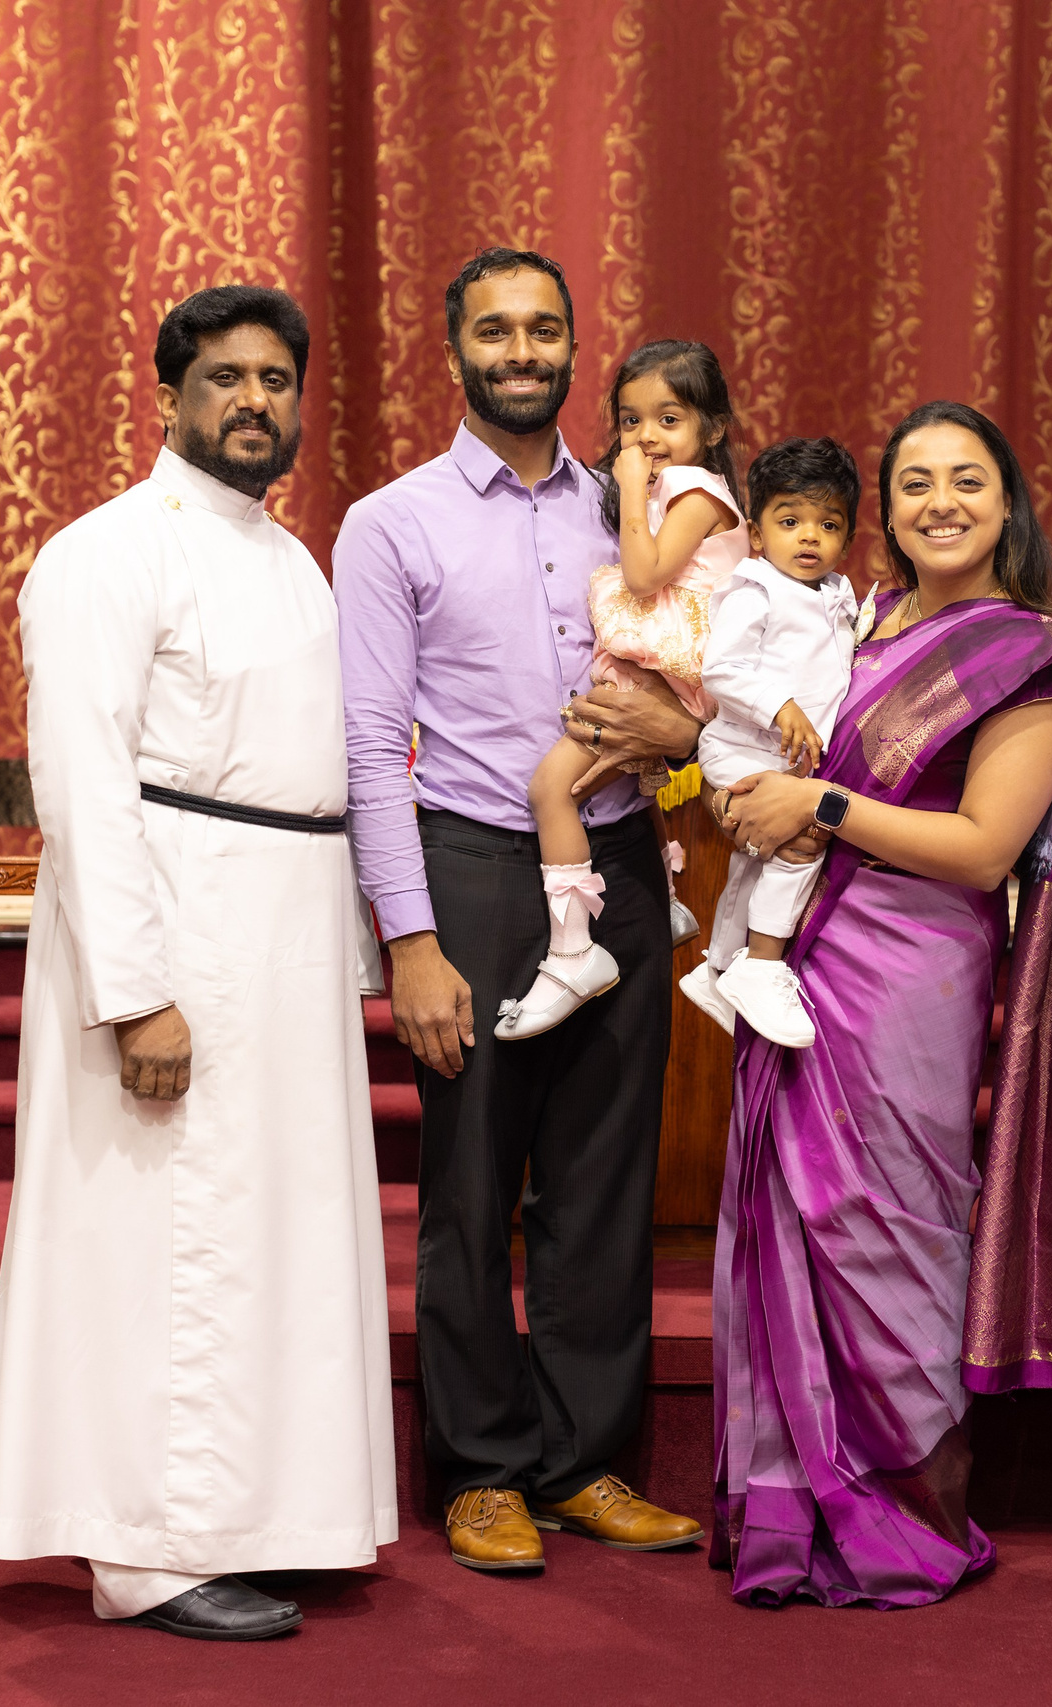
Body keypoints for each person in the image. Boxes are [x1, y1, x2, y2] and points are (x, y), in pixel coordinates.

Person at [0, 285, 399, 1640]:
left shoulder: (292, 556)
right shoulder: (107, 552)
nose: (256, 401)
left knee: (260, 1232)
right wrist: (136, 989)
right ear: (171, 396)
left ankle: (257, 1511)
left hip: (275, 936)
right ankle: (146, 1548)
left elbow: (312, 781)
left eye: (278, 378)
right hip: (171, 930)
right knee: (166, 1240)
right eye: (227, 378)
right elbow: (84, 782)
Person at [714, 400, 1052, 1609]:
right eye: (913, 485)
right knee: (795, 1213)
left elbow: (983, 848)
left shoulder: (1024, 658)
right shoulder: (859, 624)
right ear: (882, 512)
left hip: (912, 969)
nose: (939, 502)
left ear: (1008, 503)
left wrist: (821, 811)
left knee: (885, 1215)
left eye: (966, 480)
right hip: (802, 952)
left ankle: (896, 1504)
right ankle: (791, 1500)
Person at [335, 247, 704, 1573]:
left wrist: (682, 730)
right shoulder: (395, 522)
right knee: (473, 1182)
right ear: (455, 351)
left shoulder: (636, 505)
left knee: (604, 1184)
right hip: (476, 874)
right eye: (494, 328)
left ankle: (585, 1458)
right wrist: (410, 938)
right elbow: (372, 743)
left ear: (569, 346)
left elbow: (700, 665)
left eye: (544, 327)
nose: (522, 349)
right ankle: (483, 1468)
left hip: (619, 857)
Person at [497, 338, 749, 1041]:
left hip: (671, 667)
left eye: (668, 419)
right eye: (631, 421)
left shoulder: (698, 493)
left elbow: (644, 575)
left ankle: (573, 951)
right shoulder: (682, 489)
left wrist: (632, 488)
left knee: (552, 788)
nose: (644, 437)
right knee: (627, 782)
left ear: (714, 426)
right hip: (660, 665)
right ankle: (666, 901)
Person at [679, 435, 863, 1048]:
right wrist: (781, 707)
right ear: (757, 534)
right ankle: (762, 964)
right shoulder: (754, 586)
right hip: (742, 743)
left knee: (756, 857)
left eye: (828, 524)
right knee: (803, 841)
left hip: (790, 755)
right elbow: (722, 671)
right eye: (790, 521)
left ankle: (718, 968)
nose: (809, 537)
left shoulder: (839, 593)